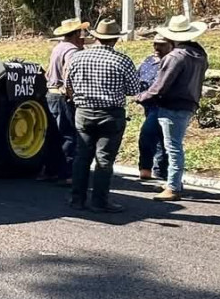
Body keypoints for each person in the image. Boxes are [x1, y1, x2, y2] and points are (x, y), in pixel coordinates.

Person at [64, 19, 140, 213]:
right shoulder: (122, 60)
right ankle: (99, 201)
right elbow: (133, 89)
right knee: (104, 159)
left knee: (82, 157)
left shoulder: (78, 58)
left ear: (96, 37)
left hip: (83, 111)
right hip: (110, 114)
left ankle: (77, 199)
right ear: (115, 39)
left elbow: (68, 84)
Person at [134, 15, 209, 202]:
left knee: (172, 147)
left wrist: (141, 97)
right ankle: (173, 181)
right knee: (173, 144)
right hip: (189, 103)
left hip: (172, 104)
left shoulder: (175, 57)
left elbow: (160, 86)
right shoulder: (199, 54)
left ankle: (173, 187)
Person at [43, 18, 88, 184]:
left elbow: (48, 73)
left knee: (53, 134)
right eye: (80, 32)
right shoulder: (72, 51)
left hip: (51, 94)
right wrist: (71, 94)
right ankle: (67, 173)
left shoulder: (58, 48)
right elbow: (70, 74)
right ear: (76, 33)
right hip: (63, 95)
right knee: (69, 135)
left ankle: (50, 170)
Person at [136, 35, 174, 181]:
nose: (157, 48)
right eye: (155, 44)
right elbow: (138, 78)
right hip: (148, 105)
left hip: (163, 104)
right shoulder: (148, 61)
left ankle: (148, 168)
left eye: (161, 45)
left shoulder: (172, 62)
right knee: (159, 138)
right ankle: (160, 171)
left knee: (148, 134)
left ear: (171, 45)